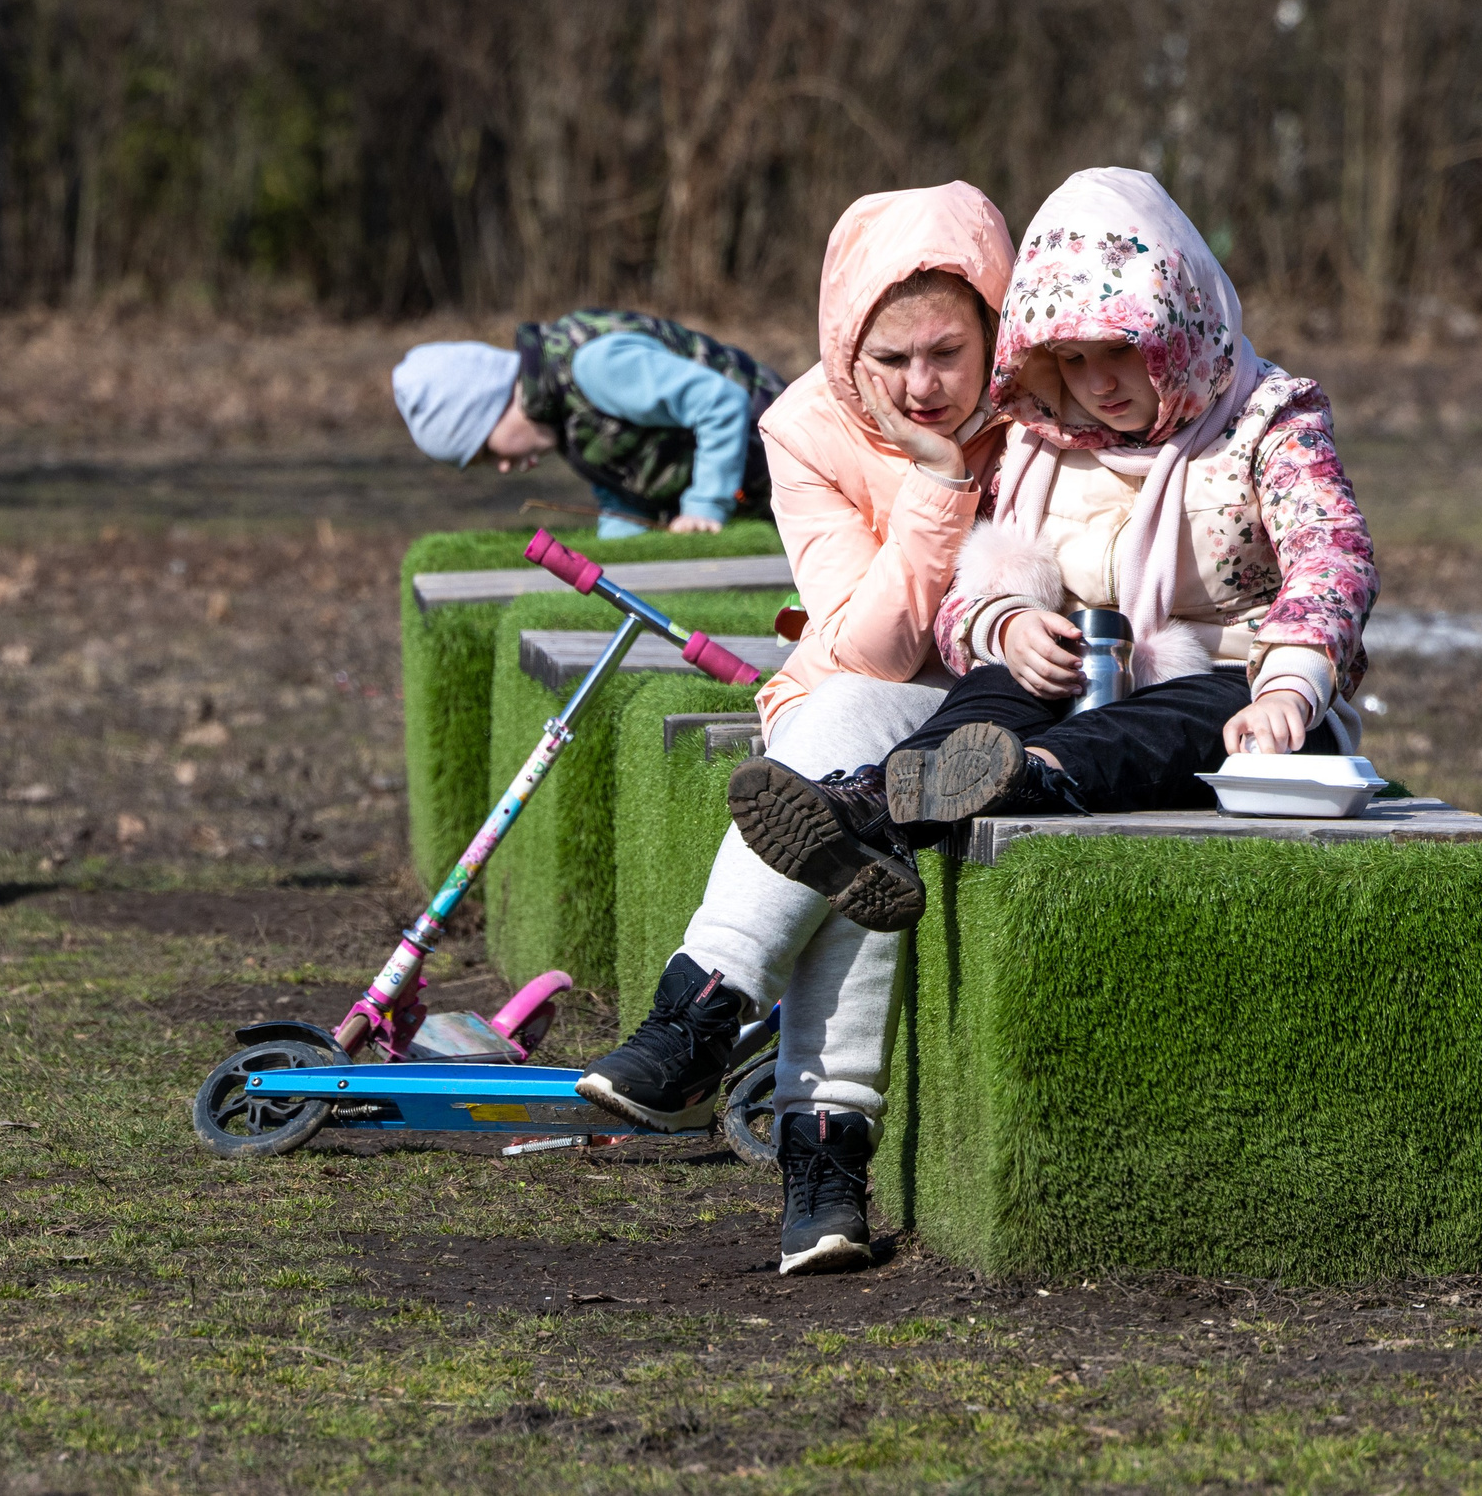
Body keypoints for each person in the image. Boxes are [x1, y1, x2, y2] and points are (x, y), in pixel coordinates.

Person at [728, 165, 1377, 937]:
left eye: (1119, 351)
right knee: (989, 696)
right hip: (1078, 675)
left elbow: (1332, 555)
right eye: (1070, 359)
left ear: (1178, 324)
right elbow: (970, 585)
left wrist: (1289, 690)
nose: (1097, 384)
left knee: (1159, 719)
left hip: (1237, 681)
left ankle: (1023, 778)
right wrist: (1007, 626)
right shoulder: (1041, 436)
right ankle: (867, 805)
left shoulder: (1271, 421)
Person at [574, 184, 1016, 1275]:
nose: (921, 384)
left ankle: (699, 1019)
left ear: (996, 332)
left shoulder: (1048, 408)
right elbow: (870, 642)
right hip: (859, 701)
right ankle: (822, 1172)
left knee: (844, 775)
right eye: (891, 358)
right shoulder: (803, 428)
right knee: (851, 804)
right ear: (844, 347)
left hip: (989, 703)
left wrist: (955, 464)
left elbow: (914, 658)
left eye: (947, 354)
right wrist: (938, 479)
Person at [393, 310, 784, 538]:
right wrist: (618, 565)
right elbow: (625, 495)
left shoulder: (594, 368)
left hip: (797, 462)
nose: (503, 467)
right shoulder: (562, 421)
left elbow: (721, 402)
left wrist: (704, 507)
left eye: (488, 452)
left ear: (495, 408)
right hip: (757, 496)